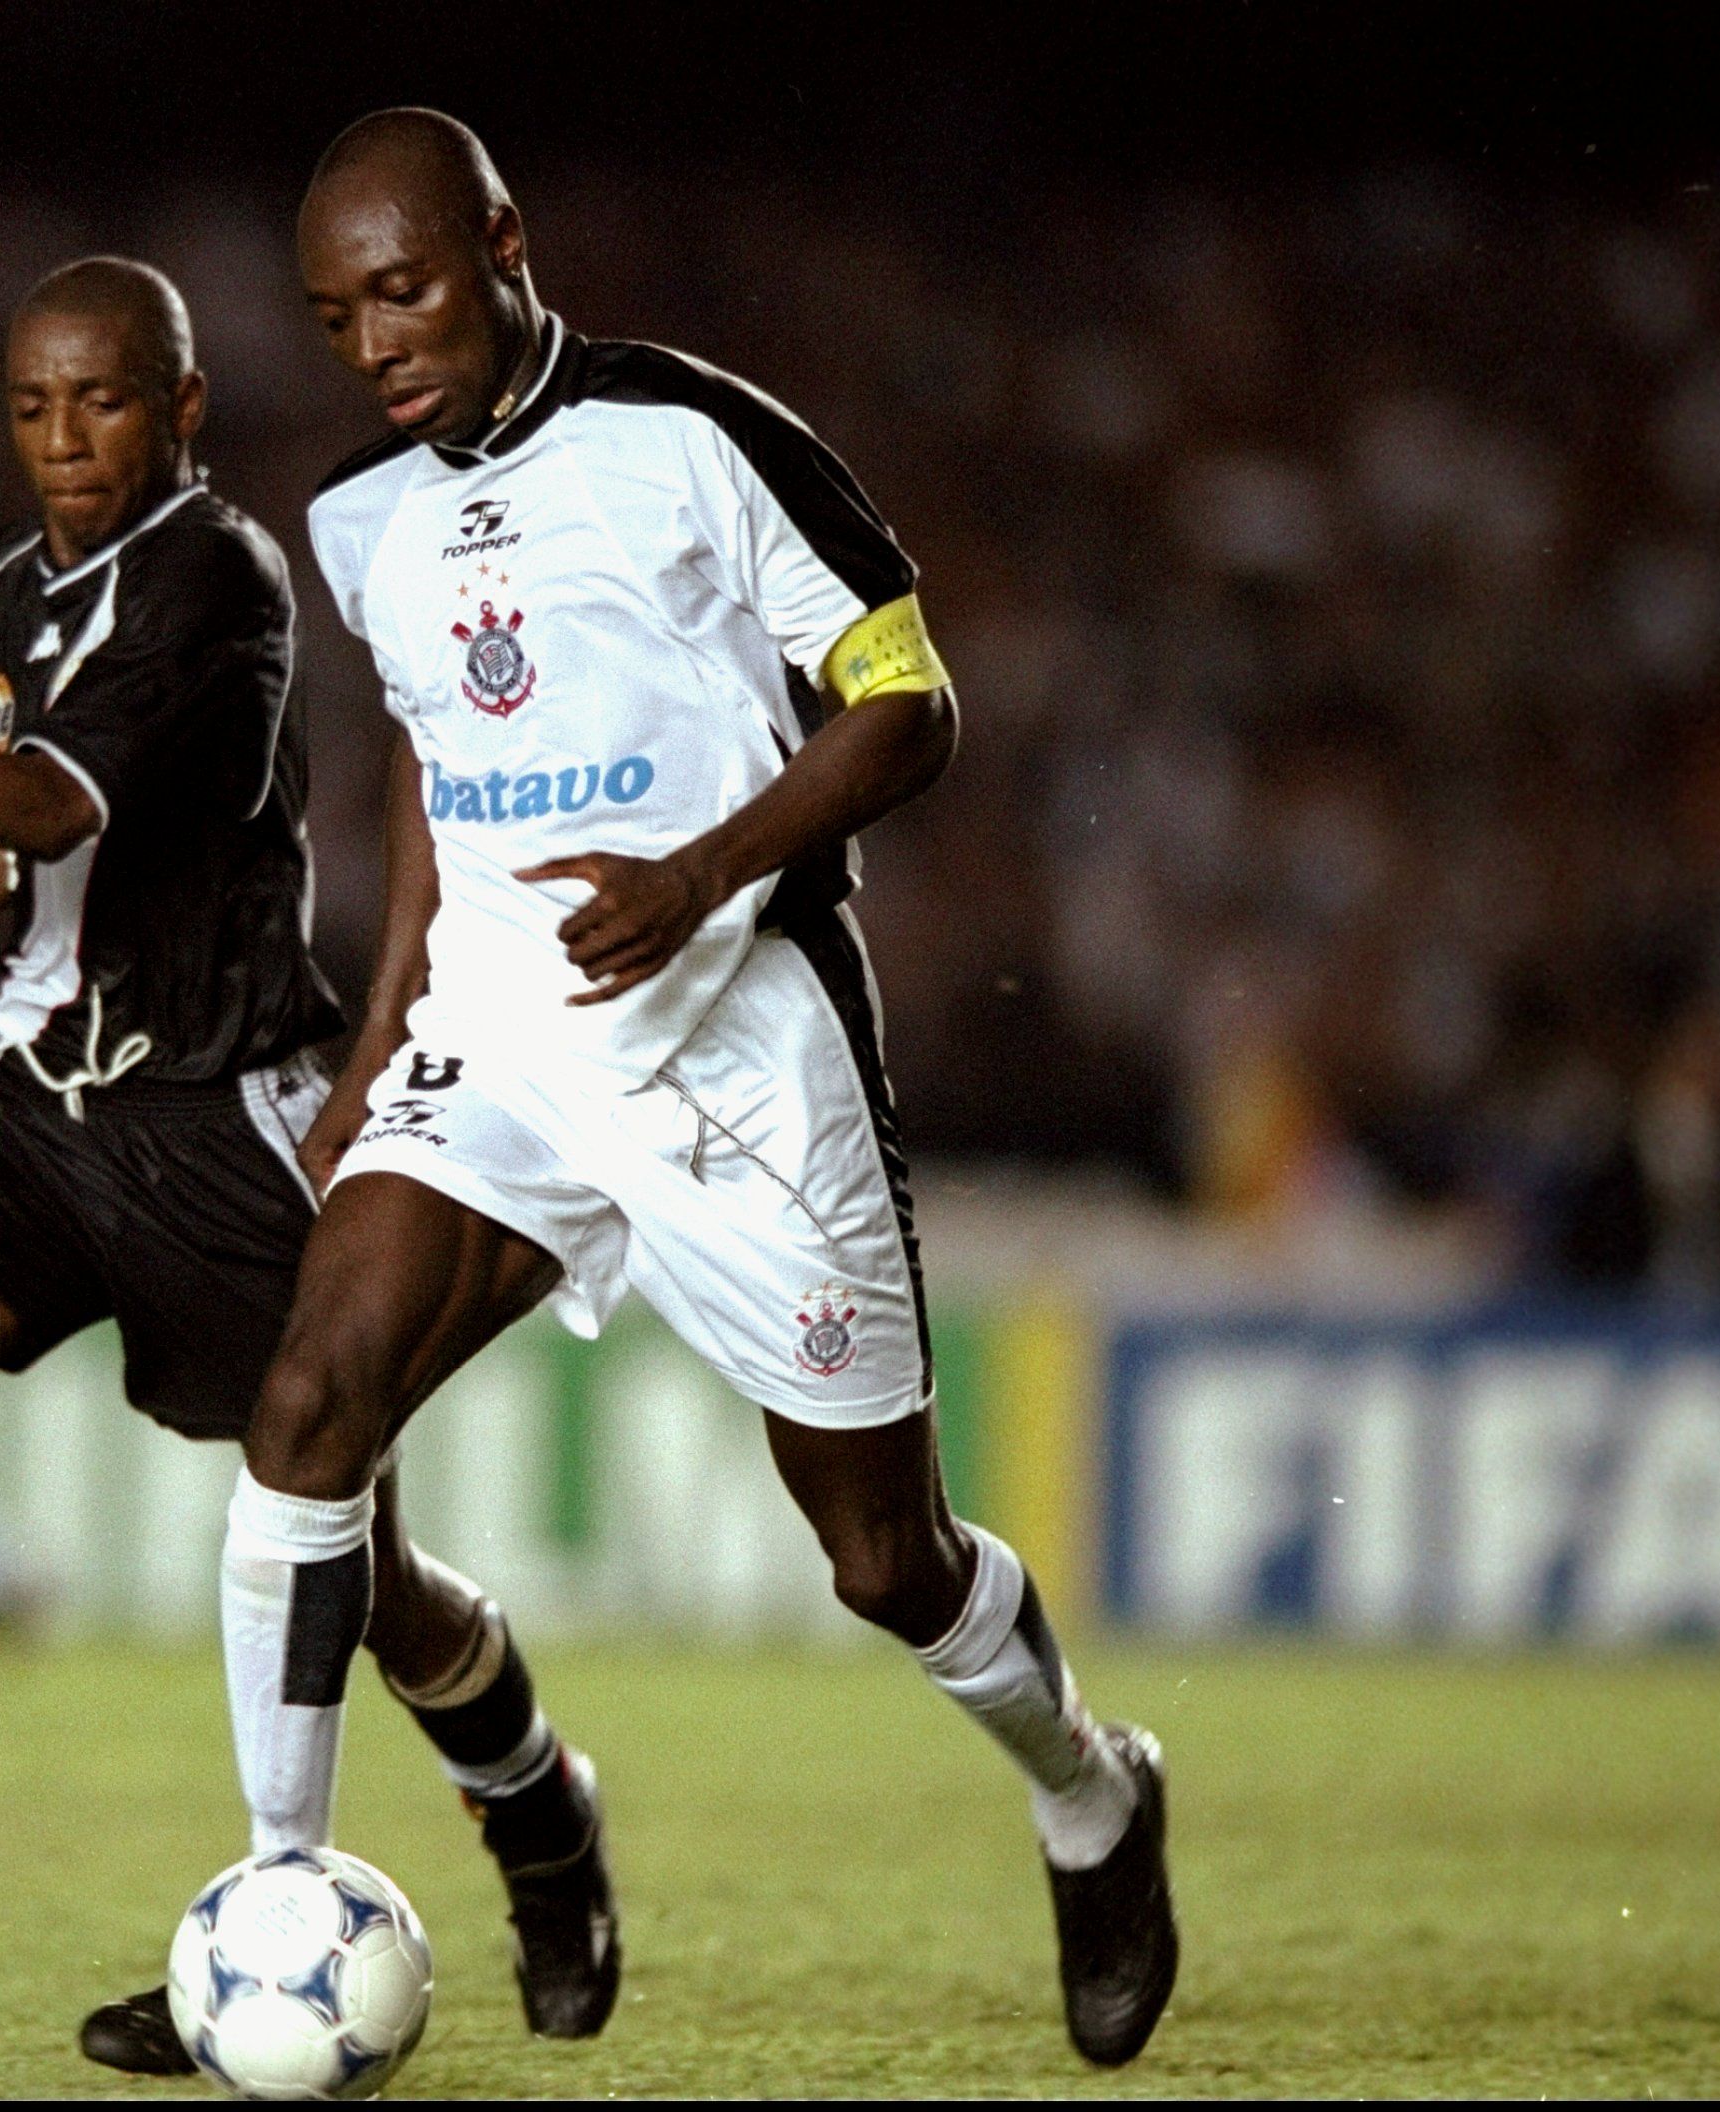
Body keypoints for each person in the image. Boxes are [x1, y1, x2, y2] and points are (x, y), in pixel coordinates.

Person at [211, 112, 1180, 2068]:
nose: (379, 341)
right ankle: (301, 1883)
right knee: (308, 1415)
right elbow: (420, 765)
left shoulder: (699, 439)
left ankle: (1091, 1788)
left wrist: (702, 874)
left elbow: (908, 700)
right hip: (497, 1046)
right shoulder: (359, 518)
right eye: (338, 317)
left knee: (880, 1560)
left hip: (740, 1053)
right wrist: (386, 1022)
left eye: (405, 287)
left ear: (500, 241)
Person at [0, 255, 620, 2076]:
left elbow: (45, 805)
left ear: (179, 409)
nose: (64, 440)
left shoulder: (219, 578)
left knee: (356, 1556)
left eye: (101, 402)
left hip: (215, 1110)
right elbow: (14, 844)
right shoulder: (14, 585)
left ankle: (536, 1803)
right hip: (33, 1082)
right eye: (30, 407)